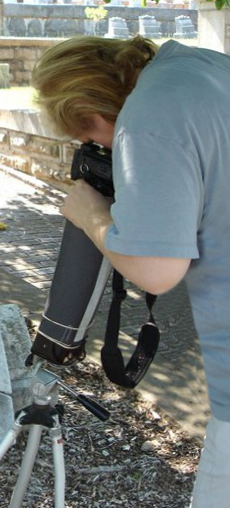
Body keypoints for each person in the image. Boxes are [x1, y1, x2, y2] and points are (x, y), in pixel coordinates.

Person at [31, 35, 230, 508]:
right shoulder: (206, 68)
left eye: (87, 136)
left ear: (91, 109)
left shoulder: (148, 117)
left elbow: (157, 272)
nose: (95, 148)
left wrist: (92, 215)